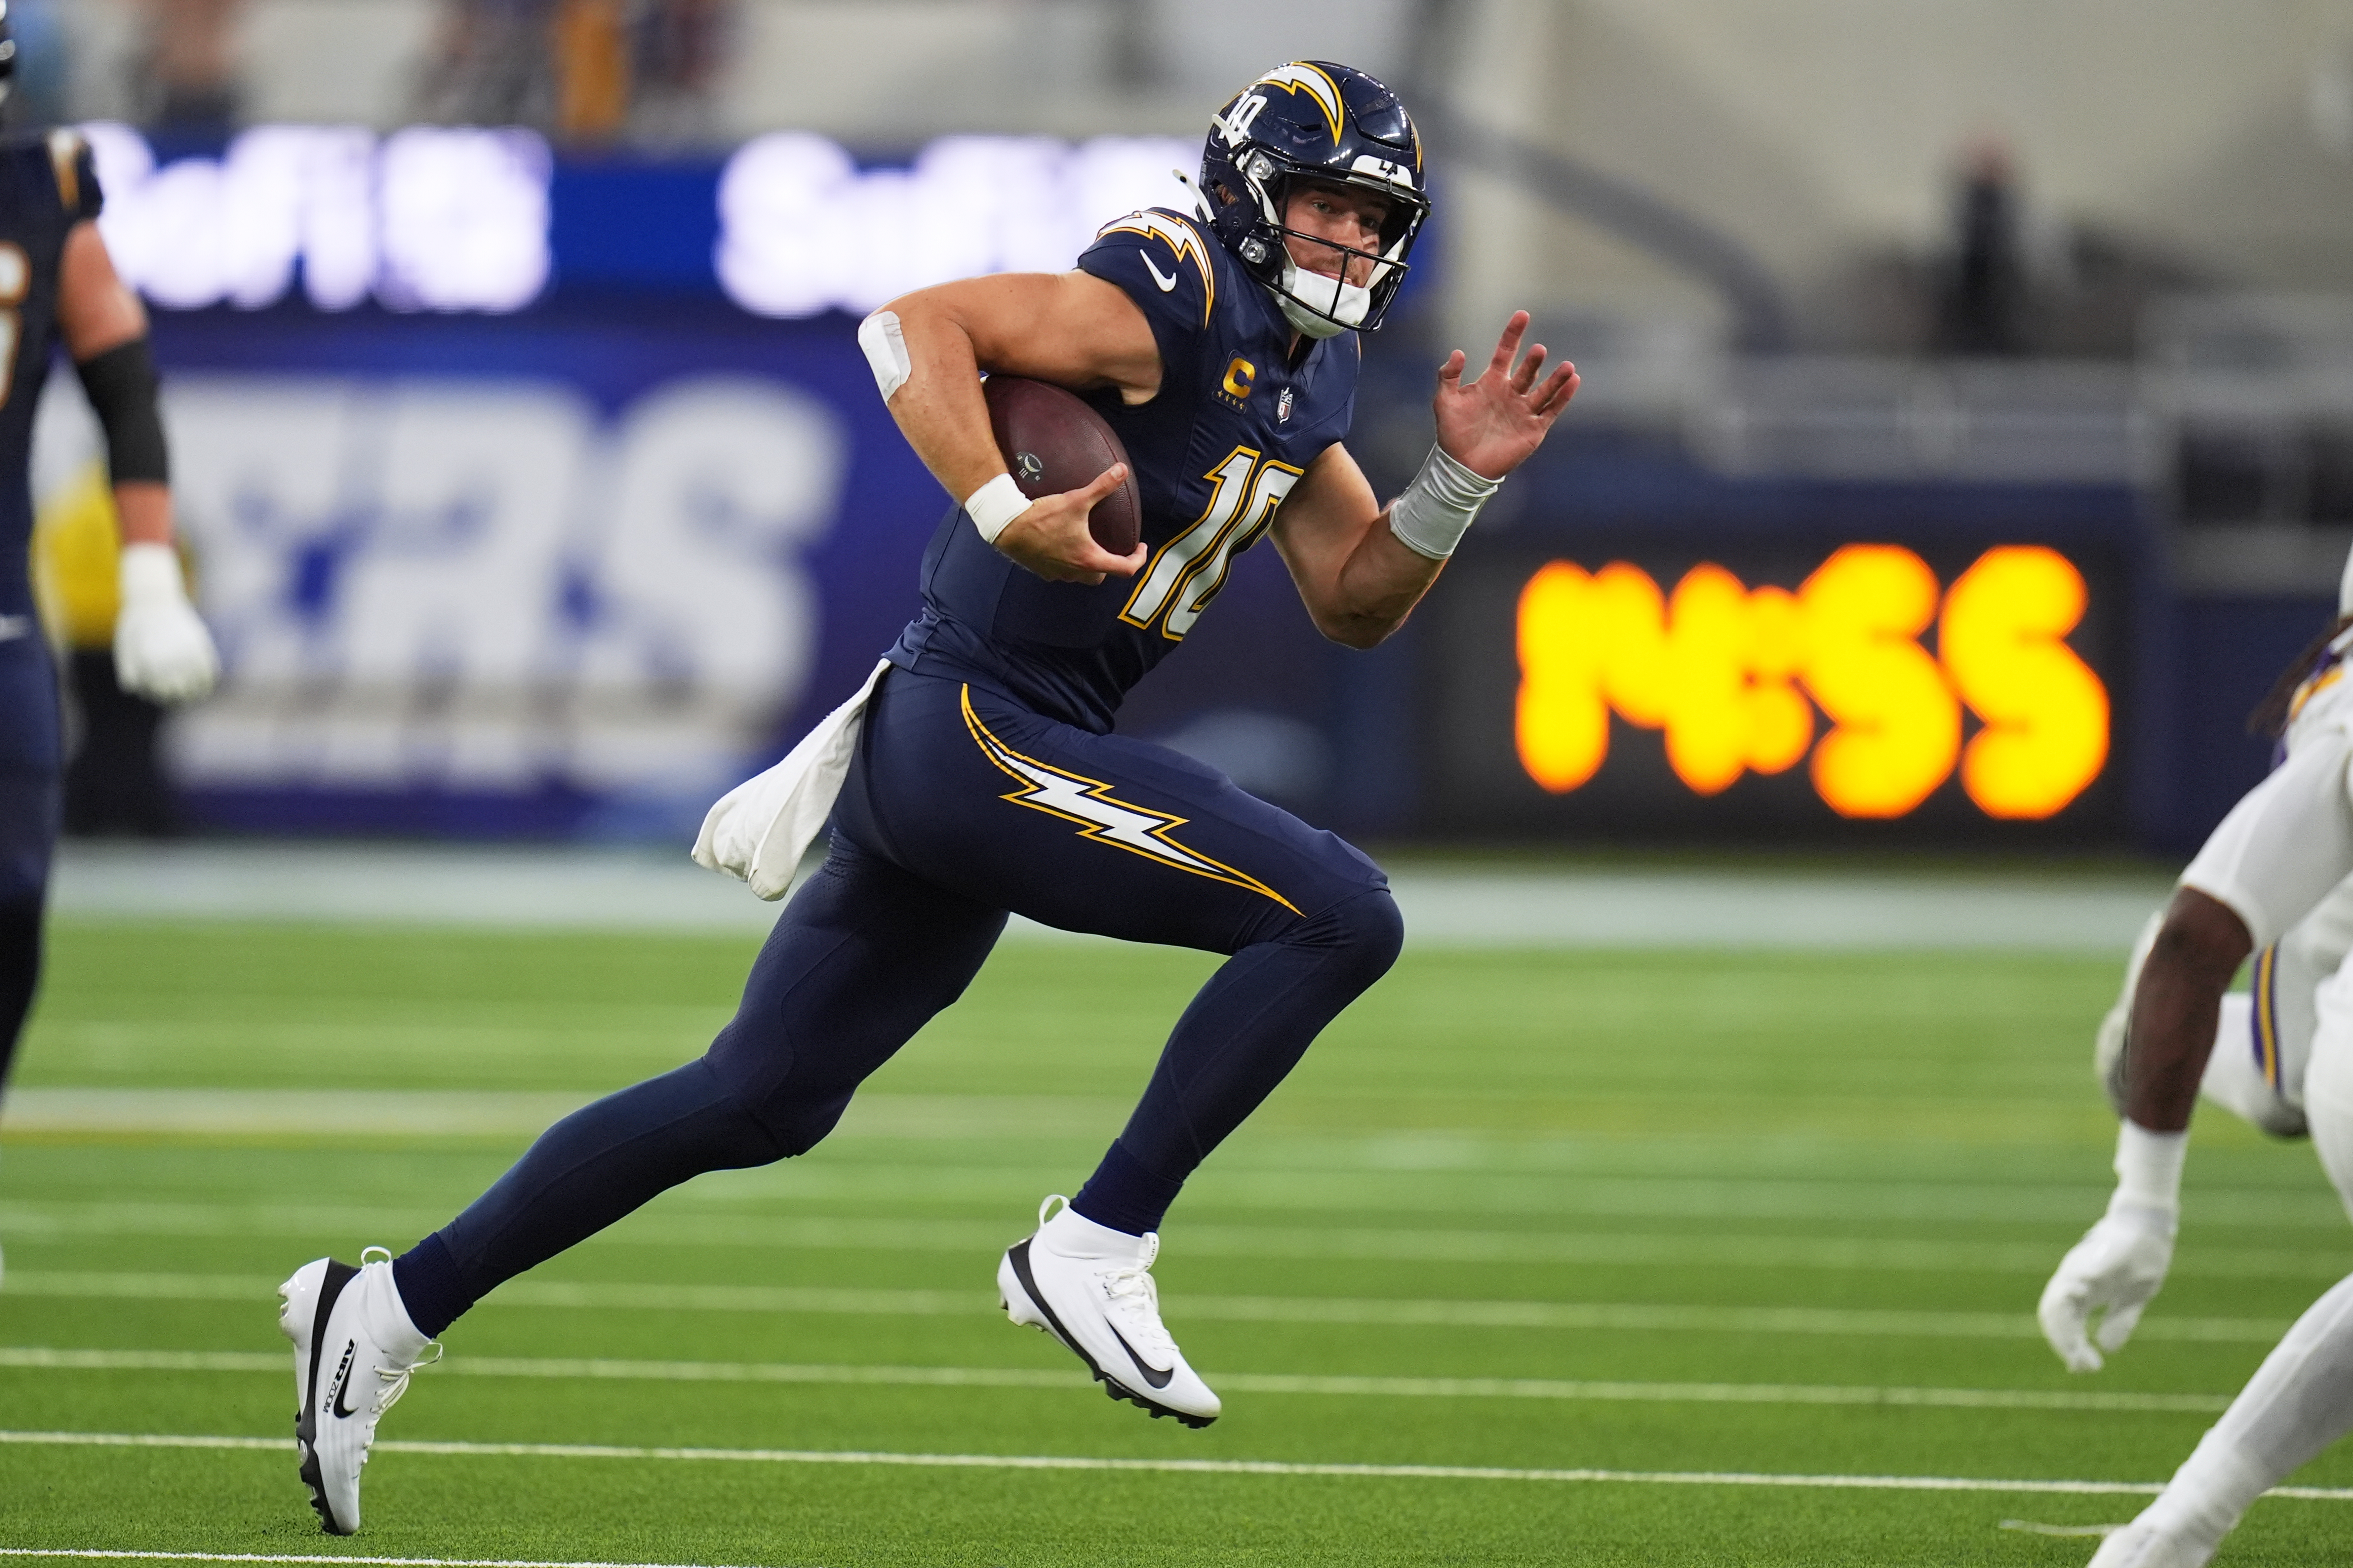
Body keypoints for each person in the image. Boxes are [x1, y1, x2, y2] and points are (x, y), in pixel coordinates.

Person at [274, 58, 1578, 1537]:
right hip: (980, 725)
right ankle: (1096, 1240)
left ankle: (384, 1306)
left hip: (982, 744)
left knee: (756, 1099)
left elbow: (1353, 599)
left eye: (1375, 217)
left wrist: (1452, 490)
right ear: (1248, 190)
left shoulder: (1311, 364)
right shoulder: (1168, 288)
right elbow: (913, 328)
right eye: (1328, 205)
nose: (1350, 241)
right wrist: (995, 501)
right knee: (1340, 913)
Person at [2040, 551, 2353, 1568]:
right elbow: (2195, 934)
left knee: (2279, 1091)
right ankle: (2165, 1044)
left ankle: (2165, 1540)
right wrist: (2140, 1203)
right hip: (2330, 964)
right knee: (2282, 1083)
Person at [0, 20, 218, 1265]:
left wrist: (148, 574)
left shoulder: (45, 193)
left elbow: (124, 385)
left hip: (3, 608)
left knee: (17, 896)